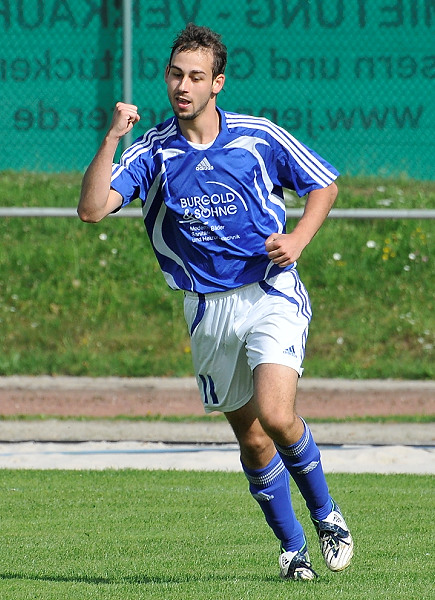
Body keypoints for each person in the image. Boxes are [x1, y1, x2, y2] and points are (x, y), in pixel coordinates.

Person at [78, 23, 353, 580]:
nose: (183, 86)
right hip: (207, 308)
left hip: (270, 289)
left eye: (196, 77)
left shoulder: (257, 136)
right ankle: (293, 550)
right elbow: (92, 209)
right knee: (251, 437)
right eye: (176, 74)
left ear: (217, 83)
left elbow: (323, 184)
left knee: (277, 415)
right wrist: (111, 139)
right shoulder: (152, 151)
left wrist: (299, 239)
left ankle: (327, 515)